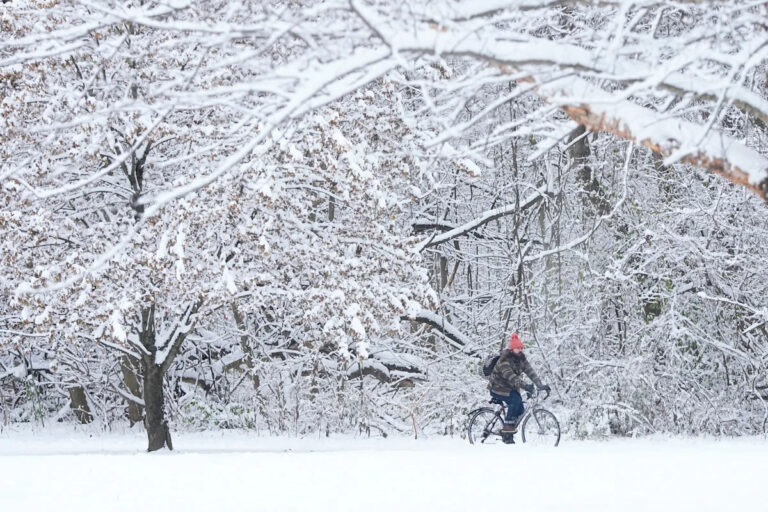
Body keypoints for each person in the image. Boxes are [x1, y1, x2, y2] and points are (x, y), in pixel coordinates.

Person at [488, 332, 551, 443]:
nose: (520, 350)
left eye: (521, 348)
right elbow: (511, 377)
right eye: (518, 348)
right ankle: (507, 429)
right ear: (512, 349)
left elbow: (530, 371)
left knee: (520, 409)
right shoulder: (504, 360)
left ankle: (509, 433)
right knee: (515, 401)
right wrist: (525, 386)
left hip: (509, 388)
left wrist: (539, 384)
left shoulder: (521, 359)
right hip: (498, 388)